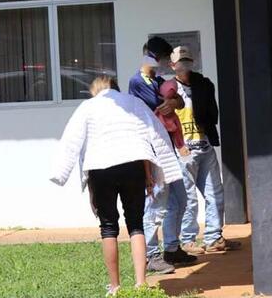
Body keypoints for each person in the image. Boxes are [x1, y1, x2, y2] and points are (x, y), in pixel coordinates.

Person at [50, 76, 182, 296]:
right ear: (116, 89)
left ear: (95, 91)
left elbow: (72, 142)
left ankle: (115, 286)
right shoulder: (133, 102)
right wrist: (155, 172)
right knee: (136, 224)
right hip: (133, 166)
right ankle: (141, 283)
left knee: (108, 227)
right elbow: (153, 133)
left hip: (100, 169)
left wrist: (62, 175)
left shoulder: (87, 107)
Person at [128, 37, 195, 273]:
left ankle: (172, 248)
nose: (167, 63)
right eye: (165, 58)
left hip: (168, 150)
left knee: (180, 199)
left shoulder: (157, 80)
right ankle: (151, 255)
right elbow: (157, 104)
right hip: (152, 151)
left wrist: (173, 101)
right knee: (155, 203)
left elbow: (177, 100)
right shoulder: (137, 82)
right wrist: (170, 101)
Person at [168, 46, 241, 255]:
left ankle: (213, 237)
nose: (184, 64)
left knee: (215, 192)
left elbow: (212, 113)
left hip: (205, 146)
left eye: (187, 60)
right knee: (188, 198)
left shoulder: (203, 84)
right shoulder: (168, 89)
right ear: (172, 65)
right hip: (183, 150)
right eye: (180, 61)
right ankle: (187, 240)